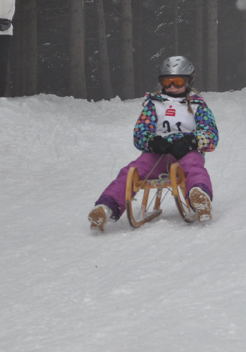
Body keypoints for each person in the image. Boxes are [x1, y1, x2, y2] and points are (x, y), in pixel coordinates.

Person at [89, 56, 219, 231]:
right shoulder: (154, 104)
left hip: (187, 152)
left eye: (178, 81)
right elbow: (140, 132)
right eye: (167, 82)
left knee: (194, 166)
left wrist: (192, 141)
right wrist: (152, 142)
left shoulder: (197, 105)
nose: (172, 86)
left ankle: (199, 196)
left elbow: (211, 134)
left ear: (189, 81)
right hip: (159, 154)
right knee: (133, 170)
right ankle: (106, 206)